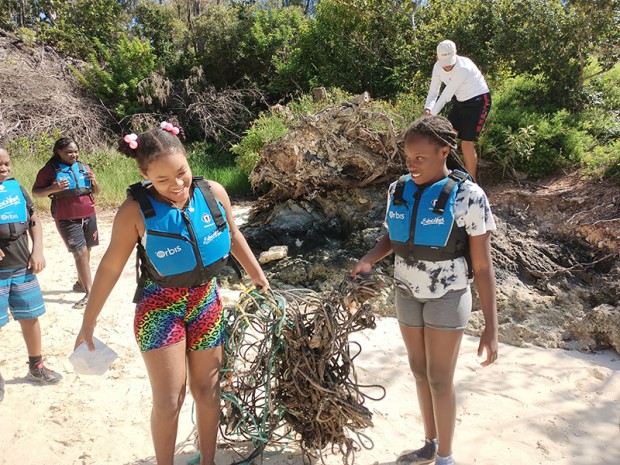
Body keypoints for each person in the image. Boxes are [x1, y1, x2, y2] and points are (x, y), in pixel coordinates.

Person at [74, 122, 269, 465]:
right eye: (163, 180)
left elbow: (233, 234)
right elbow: (110, 268)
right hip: (159, 310)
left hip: (206, 302)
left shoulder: (213, 193)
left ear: (188, 159)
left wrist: (258, 277)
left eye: (182, 173)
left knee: (208, 392)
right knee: (169, 400)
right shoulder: (134, 212)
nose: (177, 185)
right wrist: (88, 323)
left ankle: (207, 461)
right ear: (144, 174)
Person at [351, 116, 498, 465]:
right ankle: (430, 444)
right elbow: (394, 236)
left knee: (440, 379)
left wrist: (491, 327)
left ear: (445, 151)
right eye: (408, 158)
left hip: (449, 295)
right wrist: (369, 259)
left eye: (420, 158)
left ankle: (446, 457)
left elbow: (482, 267)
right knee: (419, 372)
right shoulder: (398, 189)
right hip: (406, 292)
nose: (412, 165)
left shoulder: (469, 196)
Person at [0, 147, 62, 402]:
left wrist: (38, 250)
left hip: (22, 268)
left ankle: (36, 366)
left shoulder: (17, 189)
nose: (4, 168)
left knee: (30, 316)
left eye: (6, 163)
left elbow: (34, 220)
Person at [32, 137, 101, 309]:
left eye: (76, 151)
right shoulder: (49, 171)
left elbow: (96, 191)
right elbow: (36, 193)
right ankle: (90, 293)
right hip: (66, 218)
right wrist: (53, 189)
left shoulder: (83, 167)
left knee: (87, 250)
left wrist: (94, 182)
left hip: (89, 215)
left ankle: (81, 283)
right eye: (69, 152)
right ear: (59, 152)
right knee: (80, 252)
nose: (73, 155)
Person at [423, 39, 491, 181]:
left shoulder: (463, 68)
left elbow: (446, 96)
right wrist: (427, 109)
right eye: (444, 63)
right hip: (461, 101)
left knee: (466, 143)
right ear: (437, 58)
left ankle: (472, 183)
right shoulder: (437, 67)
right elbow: (434, 92)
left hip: (479, 101)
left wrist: (429, 118)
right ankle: (444, 176)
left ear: (456, 54)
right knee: (446, 137)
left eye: (450, 62)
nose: (448, 66)